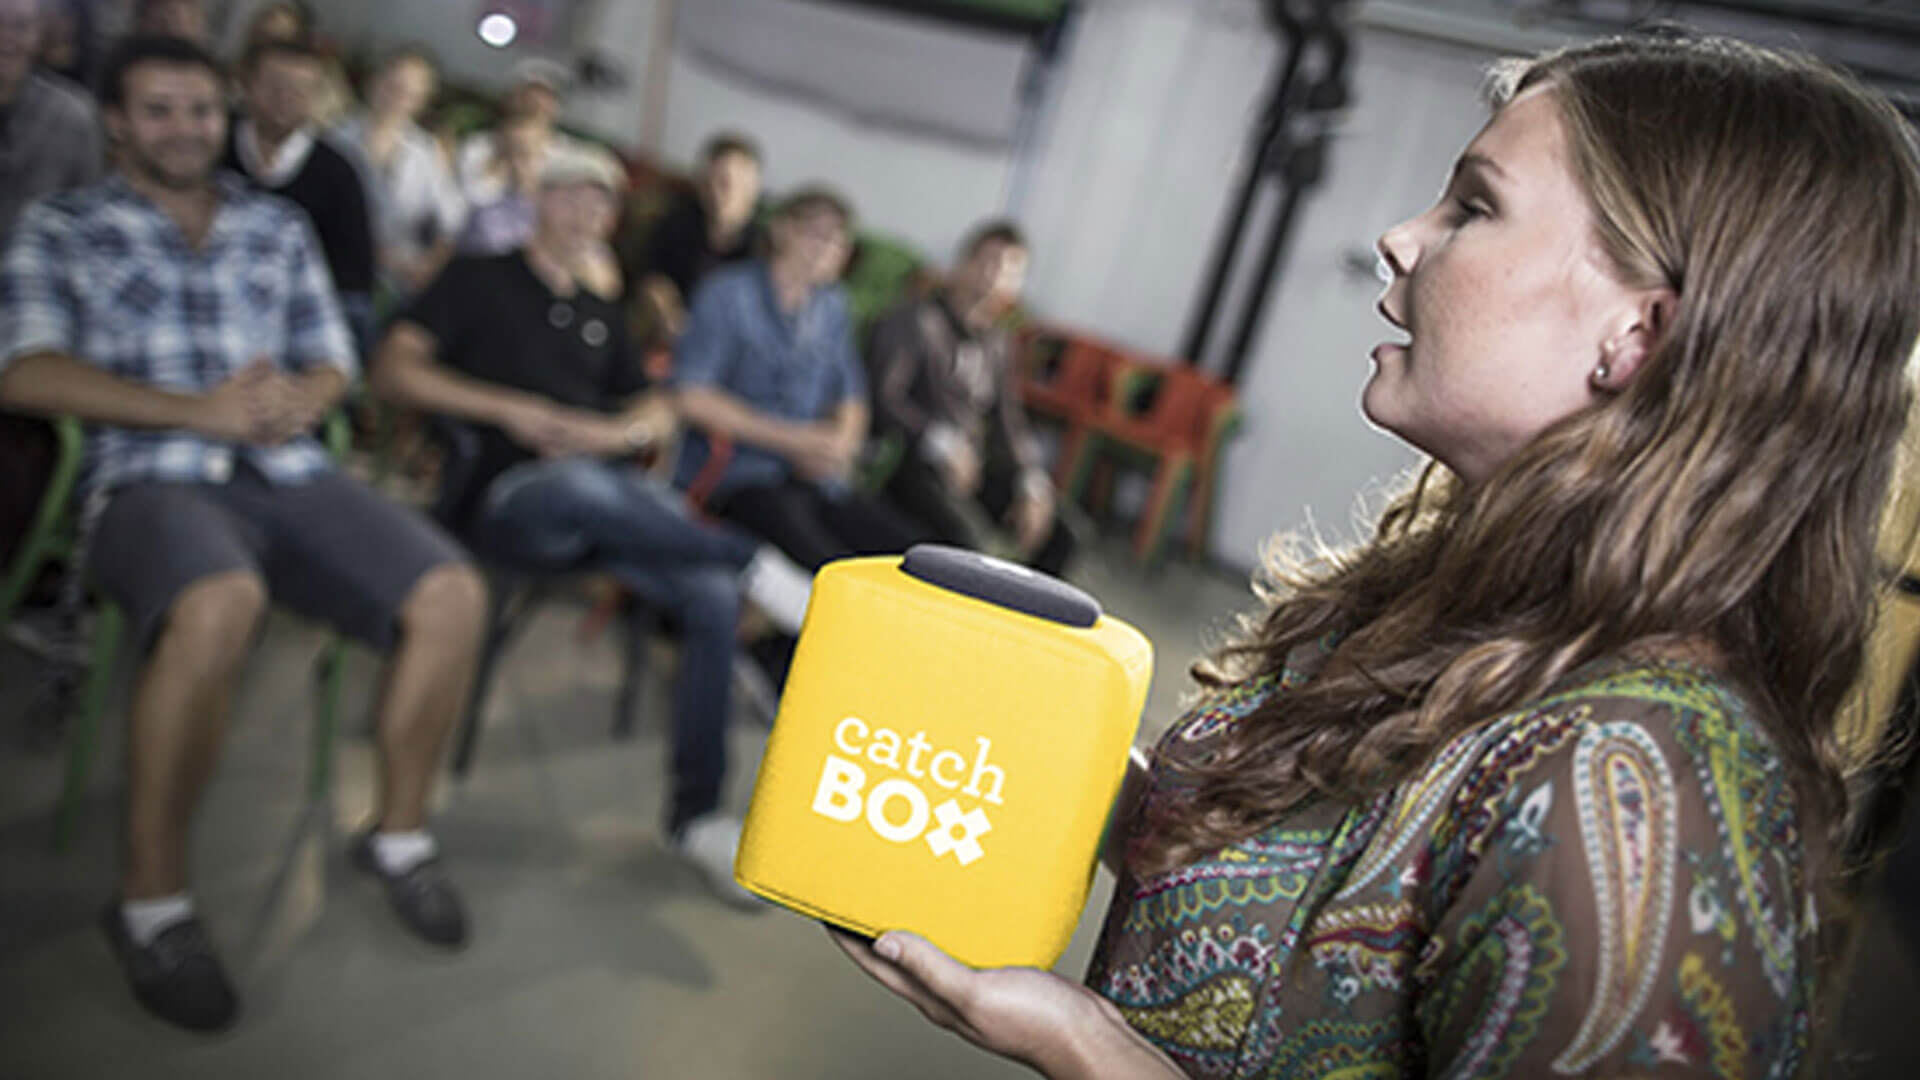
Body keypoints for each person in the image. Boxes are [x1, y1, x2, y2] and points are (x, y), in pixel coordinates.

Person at [836, 30, 1920, 1078]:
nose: (1402, 235)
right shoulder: (1469, 601)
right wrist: (1037, 762)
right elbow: (1304, 891)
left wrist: (1082, 1046)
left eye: (1476, 206)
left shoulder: (1637, 798)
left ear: (1636, 336)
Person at [0, 35, 489, 1033]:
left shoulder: (276, 226)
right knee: (222, 600)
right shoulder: (63, 226)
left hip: (288, 472)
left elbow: (334, 360)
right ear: (120, 124)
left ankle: (397, 837)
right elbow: (24, 373)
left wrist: (306, 394)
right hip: (148, 481)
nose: (186, 129)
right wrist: (194, 412)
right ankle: (151, 904)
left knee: (452, 594)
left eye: (200, 110)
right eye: (161, 110)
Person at [372, 147, 813, 908]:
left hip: (604, 505)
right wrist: (511, 411)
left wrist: (609, 435)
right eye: (573, 196)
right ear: (540, 197)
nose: (587, 215)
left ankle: (695, 817)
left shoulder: (601, 314)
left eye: (603, 205)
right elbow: (394, 371)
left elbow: (652, 408)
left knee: (705, 598)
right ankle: (759, 569)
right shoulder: (478, 277)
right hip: (508, 502)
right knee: (582, 486)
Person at [671, 186, 927, 572]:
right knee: (836, 570)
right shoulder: (727, 293)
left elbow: (851, 394)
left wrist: (840, 445)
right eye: (818, 234)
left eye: (840, 242)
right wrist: (794, 441)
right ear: (781, 230)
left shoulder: (832, 305)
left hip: (816, 477)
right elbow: (691, 395)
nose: (828, 249)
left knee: (909, 555)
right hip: (739, 474)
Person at [869, 220, 1073, 575]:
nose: (994, 277)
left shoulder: (997, 341)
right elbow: (884, 398)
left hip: (971, 467)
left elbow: (1008, 418)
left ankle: (1024, 621)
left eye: (1009, 270)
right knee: (973, 546)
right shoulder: (916, 320)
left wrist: (1031, 479)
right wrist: (940, 442)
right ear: (962, 263)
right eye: (987, 262)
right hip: (913, 462)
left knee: (1064, 533)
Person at [223, 36, 375, 356]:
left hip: (294, 320)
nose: (286, 98)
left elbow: (352, 280)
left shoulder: (338, 171)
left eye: (301, 89)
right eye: (275, 84)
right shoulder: (211, 143)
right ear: (246, 84)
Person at [332, 45, 466, 302]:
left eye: (409, 93)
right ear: (374, 82)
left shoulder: (425, 151)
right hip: (337, 267)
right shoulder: (335, 138)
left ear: (421, 101)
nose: (397, 97)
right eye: (391, 85)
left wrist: (430, 265)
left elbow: (453, 221)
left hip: (399, 279)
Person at [633, 131, 764, 341]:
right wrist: (667, 310)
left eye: (727, 182)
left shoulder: (763, 250)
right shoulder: (676, 223)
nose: (717, 191)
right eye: (710, 181)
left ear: (753, 185)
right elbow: (650, 275)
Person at [0, 0, 100, 242]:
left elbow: (88, 209)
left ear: (39, 34)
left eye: (20, 26)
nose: (6, 38)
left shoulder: (72, 115)